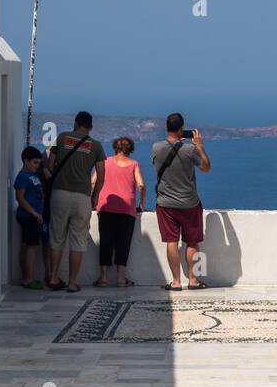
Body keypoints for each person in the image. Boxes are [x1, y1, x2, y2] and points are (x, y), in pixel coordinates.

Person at [47, 111, 106, 292]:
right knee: (78, 240)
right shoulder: (96, 146)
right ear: (90, 127)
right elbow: (101, 176)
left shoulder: (63, 137)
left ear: (75, 123)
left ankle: (54, 278)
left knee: (57, 238)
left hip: (60, 193)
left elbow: (50, 165)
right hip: (82, 197)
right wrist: (95, 196)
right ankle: (72, 283)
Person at [151, 112, 211, 290]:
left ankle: (176, 282)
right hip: (189, 203)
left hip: (165, 203)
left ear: (166, 127)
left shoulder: (156, 147)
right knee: (192, 241)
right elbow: (206, 168)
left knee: (171, 241)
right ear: (182, 129)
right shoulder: (190, 150)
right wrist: (199, 147)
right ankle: (193, 280)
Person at [94, 136, 144, 288]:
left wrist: (94, 199)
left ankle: (103, 278)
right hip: (126, 209)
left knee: (105, 242)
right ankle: (121, 279)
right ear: (131, 149)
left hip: (105, 207)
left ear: (115, 147)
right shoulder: (134, 164)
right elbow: (141, 185)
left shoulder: (105, 162)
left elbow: (93, 181)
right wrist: (141, 203)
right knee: (123, 243)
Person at [12, 146, 47, 289]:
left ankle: (27, 277)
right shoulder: (22, 177)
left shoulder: (33, 175)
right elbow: (20, 197)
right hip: (29, 216)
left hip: (35, 215)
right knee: (31, 247)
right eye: (34, 163)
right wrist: (33, 212)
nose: (36, 166)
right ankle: (28, 278)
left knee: (28, 245)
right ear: (26, 161)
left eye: (38, 163)